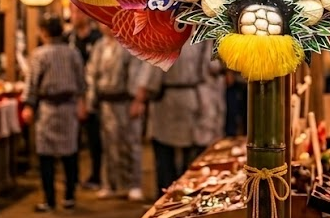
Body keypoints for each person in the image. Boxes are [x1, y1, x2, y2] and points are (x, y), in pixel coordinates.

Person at [139, 40, 225, 196]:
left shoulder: (165, 35)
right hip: (195, 98)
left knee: (165, 153)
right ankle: (190, 194)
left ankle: (167, 197)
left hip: (168, 101)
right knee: (191, 152)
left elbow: (153, 73)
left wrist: (144, 94)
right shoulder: (202, 36)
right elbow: (213, 68)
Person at [21, 15, 87, 212]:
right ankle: (69, 197)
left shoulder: (40, 54)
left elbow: (32, 83)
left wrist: (28, 106)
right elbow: (82, 82)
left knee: (46, 155)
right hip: (69, 106)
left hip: (48, 108)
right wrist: (82, 103)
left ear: (44, 32)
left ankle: (50, 199)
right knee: (70, 153)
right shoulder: (73, 53)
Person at [85, 26, 146, 201]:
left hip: (126, 100)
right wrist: (92, 100)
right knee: (108, 144)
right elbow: (91, 74)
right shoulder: (99, 45)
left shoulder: (130, 43)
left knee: (131, 142)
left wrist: (137, 100)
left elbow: (136, 72)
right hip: (106, 101)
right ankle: (109, 184)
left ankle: (134, 184)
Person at [68, 6, 103, 190]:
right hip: (71, 95)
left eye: (79, 12)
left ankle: (97, 175)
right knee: (71, 139)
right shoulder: (68, 40)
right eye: (72, 12)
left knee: (94, 138)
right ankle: (72, 178)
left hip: (93, 94)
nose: (75, 16)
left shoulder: (98, 39)